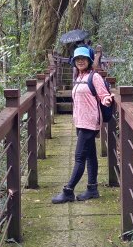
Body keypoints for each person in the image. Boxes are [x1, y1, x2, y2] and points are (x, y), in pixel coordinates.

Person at [52, 47, 113, 204]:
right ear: (73, 61)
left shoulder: (95, 77)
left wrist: (107, 100)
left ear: (89, 60)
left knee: (79, 157)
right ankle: (92, 189)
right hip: (80, 122)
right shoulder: (79, 77)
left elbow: (104, 95)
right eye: (77, 58)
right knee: (90, 155)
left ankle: (68, 191)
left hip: (90, 123)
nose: (80, 60)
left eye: (83, 58)